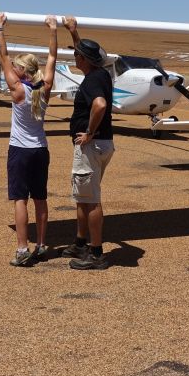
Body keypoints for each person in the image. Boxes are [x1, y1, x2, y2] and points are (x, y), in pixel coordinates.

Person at [0, 12, 58, 267]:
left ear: (23, 71)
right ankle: (41, 245)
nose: (14, 69)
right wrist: (52, 29)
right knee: (40, 199)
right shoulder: (46, 87)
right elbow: (52, 56)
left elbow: (3, 56)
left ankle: (23, 249)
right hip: (40, 151)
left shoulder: (17, 89)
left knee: (20, 200)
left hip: (20, 150)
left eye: (18, 68)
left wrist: (0, 28)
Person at [61, 15, 115, 270]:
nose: (75, 57)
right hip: (103, 145)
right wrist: (74, 32)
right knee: (83, 197)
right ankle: (81, 243)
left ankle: (96, 254)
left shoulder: (93, 80)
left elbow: (100, 104)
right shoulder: (100, 74)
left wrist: (89, 133)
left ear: (84, 60)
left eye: (77, 55)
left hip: (91, 146)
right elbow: (84, 51)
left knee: (91, 200)